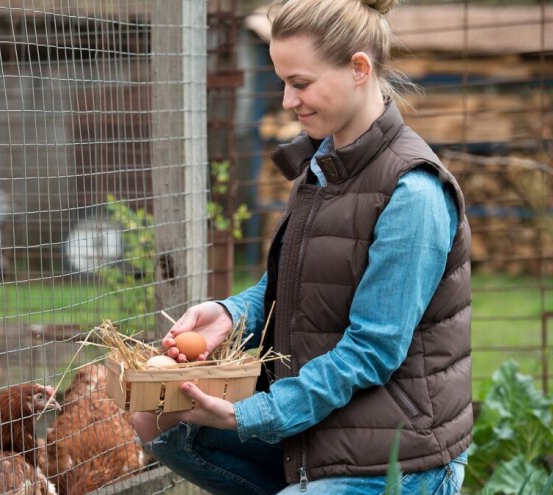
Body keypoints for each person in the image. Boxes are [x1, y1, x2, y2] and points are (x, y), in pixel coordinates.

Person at [132, 0, 473, 493]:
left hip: (398, 450)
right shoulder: (324, 164)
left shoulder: (412, 193)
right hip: (325, 421)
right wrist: (231, 315)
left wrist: (252, 413)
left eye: (301, 83)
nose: (288, 101)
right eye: (282, 83)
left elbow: (372, 350)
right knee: (157, 419)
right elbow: (292, 284)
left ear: (359, 68)